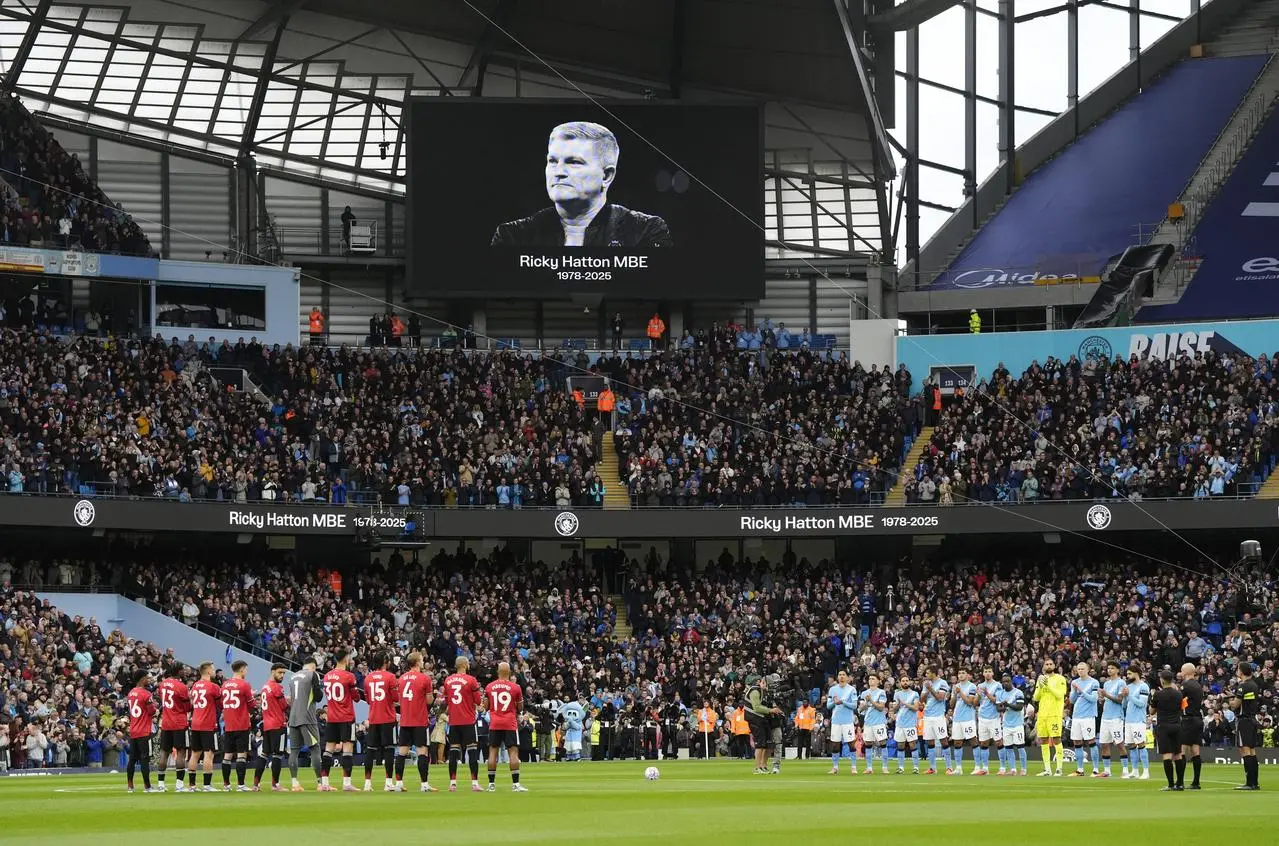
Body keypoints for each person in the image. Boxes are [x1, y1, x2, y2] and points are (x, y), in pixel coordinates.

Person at [491, 122, 672, 248]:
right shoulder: (513, 235)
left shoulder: (645, 230)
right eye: (552, 161)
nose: (558, 171)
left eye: (574, 162)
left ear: (606, 176)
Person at [320, 647, 362, 792]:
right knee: (347, 748)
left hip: (332, 717)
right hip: (346, 716)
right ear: (345, 659)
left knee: (328, 749)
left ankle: (324, 783)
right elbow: (356, 698)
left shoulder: (326, 676)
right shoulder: (349, 676)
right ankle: (346, 783)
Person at [395, 651, 437, 792]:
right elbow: (429, 701)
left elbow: (400, 700)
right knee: (422, 752)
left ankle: (399, 783)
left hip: (406, 720)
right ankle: (424, 784)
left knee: (402, 752)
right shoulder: (425, 679)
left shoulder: (401, 679)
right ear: (418, 662)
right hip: (419, 720)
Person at [484, 662, 529, 792]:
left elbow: (486, 706)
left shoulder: (489, 687)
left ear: (498, 672)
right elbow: (520, 708)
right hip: (510, 723)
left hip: (495, 723)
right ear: (509, 672)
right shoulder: (515, 687)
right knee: (513, 753)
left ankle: (491, 785)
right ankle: (515, 784)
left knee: (493, 753)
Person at [441, 656, 484, 792]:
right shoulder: (471, 680)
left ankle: (452, 783)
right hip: (468, 720)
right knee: (472, 751)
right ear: (466, 665)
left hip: (454, 721)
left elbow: (447, 701)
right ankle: (474, 783)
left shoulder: (448, 680)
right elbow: (477, 701)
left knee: (453, 751)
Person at [362, 652, 400, 792]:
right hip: (387, 718)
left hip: (373, 717)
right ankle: (388, 783)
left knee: (370, 750)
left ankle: (367, 783)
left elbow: (368, 700)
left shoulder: (368, 678)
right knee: (389, 750)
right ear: (385, 662)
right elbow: (395, 698)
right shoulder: (390, 677)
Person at [286, 656, 324, 791]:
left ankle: (294, 783)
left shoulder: (293, 676)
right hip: (307, 717)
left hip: (293, 718)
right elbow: (318, 697)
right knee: (315, 748)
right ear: (313, 666)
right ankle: (320, 783)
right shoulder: (313, 674)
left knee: (294, 751)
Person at [186, 661, 221, 792]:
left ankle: (192, 785)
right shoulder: (213, 687)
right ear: (207, 671)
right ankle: (207, 785)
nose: (214, 671)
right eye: (212, 669)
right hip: (207, 724)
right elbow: (220, 704)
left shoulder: (195, 686)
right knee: (209, 754)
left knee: (194, 754)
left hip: (195, 722)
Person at [155, 664, 191, 792]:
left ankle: (160, 784)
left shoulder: (163, 684)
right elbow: (188, 708)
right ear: (178, 671)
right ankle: (179, 785)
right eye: (183, 670)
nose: (185, 672)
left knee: (164, 752)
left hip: (166, 722)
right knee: (181, 753)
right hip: (179, 723)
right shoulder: (182, 687)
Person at [220, 660, 254, 791]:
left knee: (227, 755)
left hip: (228, 724)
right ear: (241, 669)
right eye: (246, 669)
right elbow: (251, 705)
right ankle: (240, 785)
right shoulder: (244, 684)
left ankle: (226, 785)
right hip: (242, 723)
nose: (246, 671)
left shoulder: (224, 685)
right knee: (241, 755)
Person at [254, 663, 288, 792]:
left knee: (263, 754)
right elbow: (284, 706)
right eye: (280, 672)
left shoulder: (265, 687)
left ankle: (255, 785)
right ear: (272, 671)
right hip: (278, 724)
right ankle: (275, 785)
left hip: (267, 724)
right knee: (277, 755)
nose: (282, 675)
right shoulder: (276, 687)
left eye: (283, 673)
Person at [1033, 658, 1068, 776]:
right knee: (1043, 740)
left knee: (1056, 739)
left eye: (1050, 664)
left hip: (1054, 714)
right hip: (1042, 714)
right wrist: (1041, 686)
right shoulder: (1040, 679)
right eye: (1046, 664)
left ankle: (1059, 768)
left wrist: (1048, 684)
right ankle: (1047, 769)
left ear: (1054, 665)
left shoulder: (1060, 679)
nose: (1048, 666)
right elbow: (1036, 698)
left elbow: (1060, 694)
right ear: (1043, 667)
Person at [124, 672, 158, 794]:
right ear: (141, 678)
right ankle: (147, 786)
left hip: (133, 730)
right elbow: (151, 712)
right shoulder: (146, 694)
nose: (149, 680)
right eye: (147, 678)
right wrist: (155, 707)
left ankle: (130, 786)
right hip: (144, 731)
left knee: (132, 759)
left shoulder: (131, 693)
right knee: (144, 759)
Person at [1229, 661, 1261, 790]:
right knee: (1252, 751)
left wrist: (1229, 701)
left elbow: (1236, 704)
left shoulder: (1243, 685)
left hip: (1244, 720)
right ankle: (1254, 782)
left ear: (1241, 672)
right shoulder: (1253, 684)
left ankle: (1249, 783)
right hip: (1252, 719)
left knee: (1245, 750)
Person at [744, 674, 784, 775]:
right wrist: (771, 710)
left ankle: (763, 765)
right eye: (764, 683)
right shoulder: (755, 691)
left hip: (761, 720)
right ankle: (757, 767)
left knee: (767, 744)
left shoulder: (761, 692)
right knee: (760, 745)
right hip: (755, 720)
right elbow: (757, 707)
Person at [1151, 668, 1184, 791]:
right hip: (1176, 725)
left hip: (1164, 726)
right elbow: (1181, 707)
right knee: (1178, 755)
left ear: (1162, 680)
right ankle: (1180, 783)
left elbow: (1152, 711)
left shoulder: (1158, 694)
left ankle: (1170, 784)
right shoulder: (1178, 693)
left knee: (1167, 755)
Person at [1067, 662, 1100, 777]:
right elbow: (1072, 700)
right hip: (1076, 716)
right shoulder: (1074, 682)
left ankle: (1095, 769)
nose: (1080, 671)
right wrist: (1074, 690)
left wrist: (1081, 690)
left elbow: (1094, 698)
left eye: (1082, 669)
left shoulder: (1094, 682)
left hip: (1088, 716)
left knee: (1091, 741)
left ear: (1088, 669)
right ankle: (1080, 769)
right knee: (1077, 742)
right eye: (1078, 669)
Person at [1096, 661, 1127, 779]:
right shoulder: (1107, 683)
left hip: (1116, 718)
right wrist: (1101, 698)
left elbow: (1119, 700)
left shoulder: (1121, 682)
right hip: (1105, 717)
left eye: (1112, 668)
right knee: (1104, 744)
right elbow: (1106, 698)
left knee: (1119, 744)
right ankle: (1107, 770)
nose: (1109, 670)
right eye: (1108, 668)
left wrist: (1106, 695)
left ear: (1118, 670)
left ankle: (1125, 770)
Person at [1177, 662, 1204, 790]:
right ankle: (1196, 782)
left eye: (1182, 671)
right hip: (1198, 719)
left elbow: (1178, 700)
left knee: (1182, 750)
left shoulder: (1185, 685)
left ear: (1186, 672)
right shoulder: (1198, 685)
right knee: (1195, 750)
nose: (1180, 674)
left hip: (1188, 720)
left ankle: (1180, 781)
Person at [1122, 664, 1152, 780]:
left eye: (1130, 673)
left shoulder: (1143, 686)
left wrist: (1129, 695)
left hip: (1138, 720)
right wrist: (1124, 696)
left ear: (1136, 673)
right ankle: (1134, 771)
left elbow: (1142, 704)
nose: (1128, 676)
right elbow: (1124, 705)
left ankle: (1145, 771)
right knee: (1132, 745)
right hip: (1128, 719)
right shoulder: (1129, 686)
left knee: (1141, 744)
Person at [825, 670, 857, 774]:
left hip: (847, 721)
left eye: (844, 675)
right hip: (836, 721)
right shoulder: (832, 690)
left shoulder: (852, 690)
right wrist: (835, 703)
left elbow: (854, 705)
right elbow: (828, 706)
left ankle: (853, 766)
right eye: (840, 675)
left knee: (851, 744)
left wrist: (843, 701)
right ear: (837, 677)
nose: (842, 676)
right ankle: (835, 767)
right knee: (835, 745)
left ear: (847, 678)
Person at [920, 667, 950, 775]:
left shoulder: (943, 683)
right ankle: (932, 768)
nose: (926, 674)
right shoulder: (926, 684)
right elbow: (921, 699)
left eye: (928, 672)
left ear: (933, 673)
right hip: (927, 716)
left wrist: (930, 689)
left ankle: (949, 767)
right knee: (930, 742)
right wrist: (927, 689)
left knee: (943, 741)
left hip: (938, 716)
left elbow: (940, 698)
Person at [997, 674, 1028, 776]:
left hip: (1017, 724)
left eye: (1008, 681)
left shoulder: (1018, 693)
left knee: (1020, 747)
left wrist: (1007, 705)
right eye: (1004, 681)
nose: (1006, 683)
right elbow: (998, 708)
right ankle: (1013, 769)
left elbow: (1019, 707)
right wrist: (1004, 707)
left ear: (1011, 682)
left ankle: (1023, 769)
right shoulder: (1000, 694)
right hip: (1006, 725)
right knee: (1008, 748)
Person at [949, 669, 978, 775]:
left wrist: (959, 692)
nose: (960, 675)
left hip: (968, 718)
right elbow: (951, 704)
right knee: (957, 742)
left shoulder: (972, 687)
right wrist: (953, 696)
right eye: (959, 673)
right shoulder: (955, 687)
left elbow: (970, 702)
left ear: (967, 675)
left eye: (963, 673)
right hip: (957, 718)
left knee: (973, 740)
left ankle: (977, 766)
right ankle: (958, 768)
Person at [859, 674, 889, 774]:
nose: (871, 680)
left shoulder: (881, 692)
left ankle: (885, 767)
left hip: (879, 722)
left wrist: (871, 700)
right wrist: (866, 702)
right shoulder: (864, 693)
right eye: (870, 679)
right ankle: (869, 768)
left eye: (873, 679)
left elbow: (881, 707)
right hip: (868, 722)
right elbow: (860, 709)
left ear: (878, 681)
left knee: (883, 743)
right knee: (868, 744)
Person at [891, 676, 921, 774]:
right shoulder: (897, 694)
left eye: (906, 681)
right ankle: (901, 767)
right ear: (900, 683)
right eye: (903, 681)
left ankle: (916, 767)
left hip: (910, 724)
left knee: (912, 744)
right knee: (900, 745)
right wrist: (898, 705)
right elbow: (894, 710)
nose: (905, 682)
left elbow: (916, 708)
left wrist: (905, 703)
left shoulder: (914, 694)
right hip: (900, 723)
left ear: (909, 682)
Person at [976, 667, 1002, 776]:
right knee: (983, 742)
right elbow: (976, 702)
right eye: (986, 672)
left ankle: (1003, 767)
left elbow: (998, 701)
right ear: (983, 673)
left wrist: (987, 694)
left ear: (992, 673)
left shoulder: (998, 685)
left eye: (989, 671)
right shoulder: (980, 686)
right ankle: (985, 768)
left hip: (994, 718)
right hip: (982, 717)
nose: (987, 673)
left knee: (998, 742)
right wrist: (977, 695)